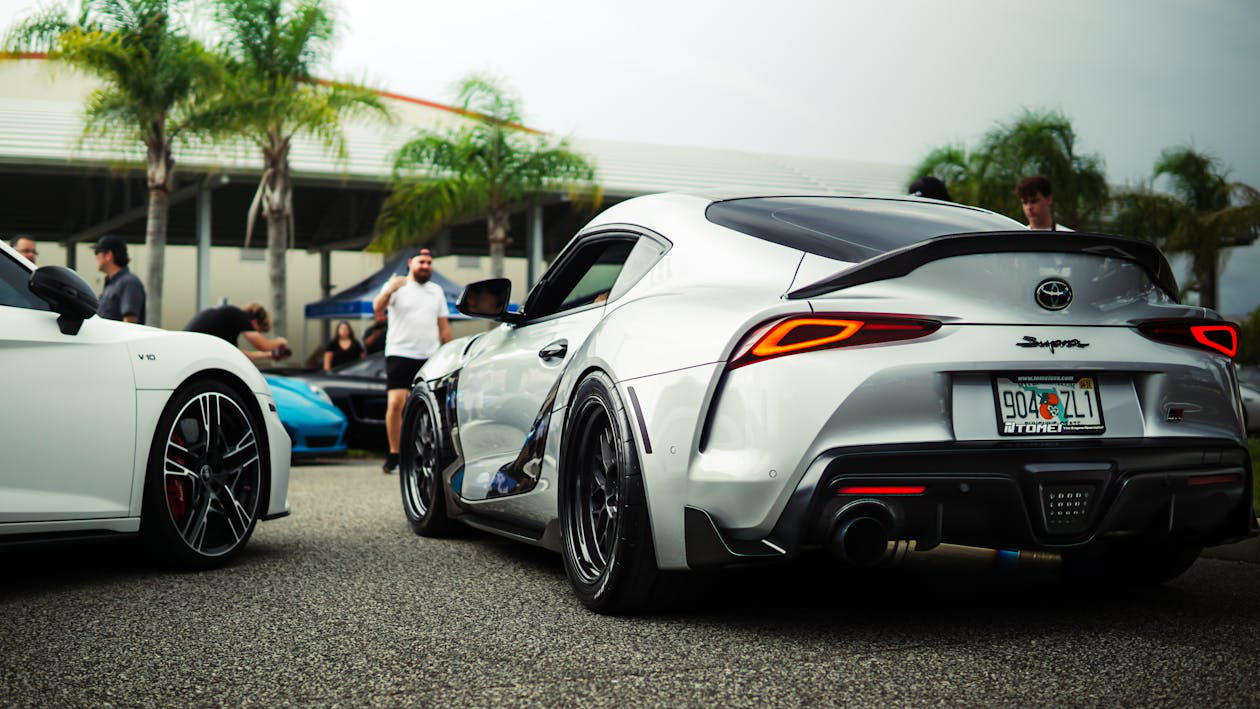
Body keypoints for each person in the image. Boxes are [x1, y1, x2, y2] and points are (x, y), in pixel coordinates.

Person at [373, 248, 452, 474]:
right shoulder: (396, 285)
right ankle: (394, 455)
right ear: (410, 263)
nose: (426, 266)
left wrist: (448, 353)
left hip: (429, 355)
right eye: (421, 262)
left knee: (430, 406)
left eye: (429, 262)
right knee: (396, 404)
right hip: (400, 352)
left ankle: (428, 452)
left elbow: (443, 327)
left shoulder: (436, 291)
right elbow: (377, 308)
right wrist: (390, 289)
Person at [185, 302, 290, 364]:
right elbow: (264, 345)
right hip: (193, 351)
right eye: (259, 331)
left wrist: (269, 355)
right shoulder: (238, 315)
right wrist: (281, 341)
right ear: (254, 322)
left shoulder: (227, 324)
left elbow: (240, 356)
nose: (258, 334)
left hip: (189, 352)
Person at [94, 234, 146, 324]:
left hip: (118, 338)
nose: (95, 257)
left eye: (97, 252)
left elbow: (130, 321)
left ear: (108, 255)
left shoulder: (129, 282)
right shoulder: (112, 283)